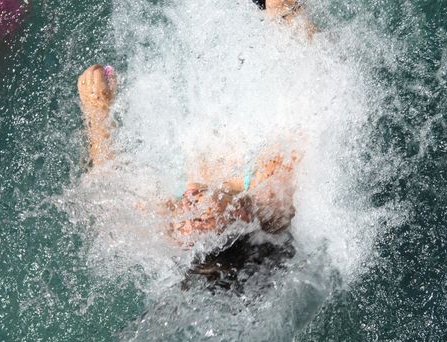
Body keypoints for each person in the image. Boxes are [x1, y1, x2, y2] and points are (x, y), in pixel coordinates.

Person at [77, 65, 299, 245]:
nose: (187, 205)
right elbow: (310, 99)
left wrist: (98, 113)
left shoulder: (173, 221)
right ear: (239, 217)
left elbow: (108, 187)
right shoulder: (269, 188)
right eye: (202, 216)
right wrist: (287, 15)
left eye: (182, 224)